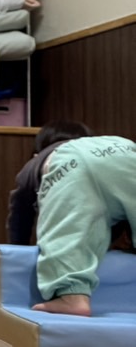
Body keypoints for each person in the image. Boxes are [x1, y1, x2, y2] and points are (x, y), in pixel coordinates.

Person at [33, 134, 136, 315]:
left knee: (65, 231)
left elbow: (20, 216)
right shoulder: (99, 142)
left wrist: (19, 246)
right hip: (126, 149)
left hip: (73, 162)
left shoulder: (34, 168)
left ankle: (73, 298)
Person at [7, 121, 92, 245]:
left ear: (36, 155)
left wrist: (18, 247)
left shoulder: (34, 165)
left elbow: (19, 215)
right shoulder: (96, 159)